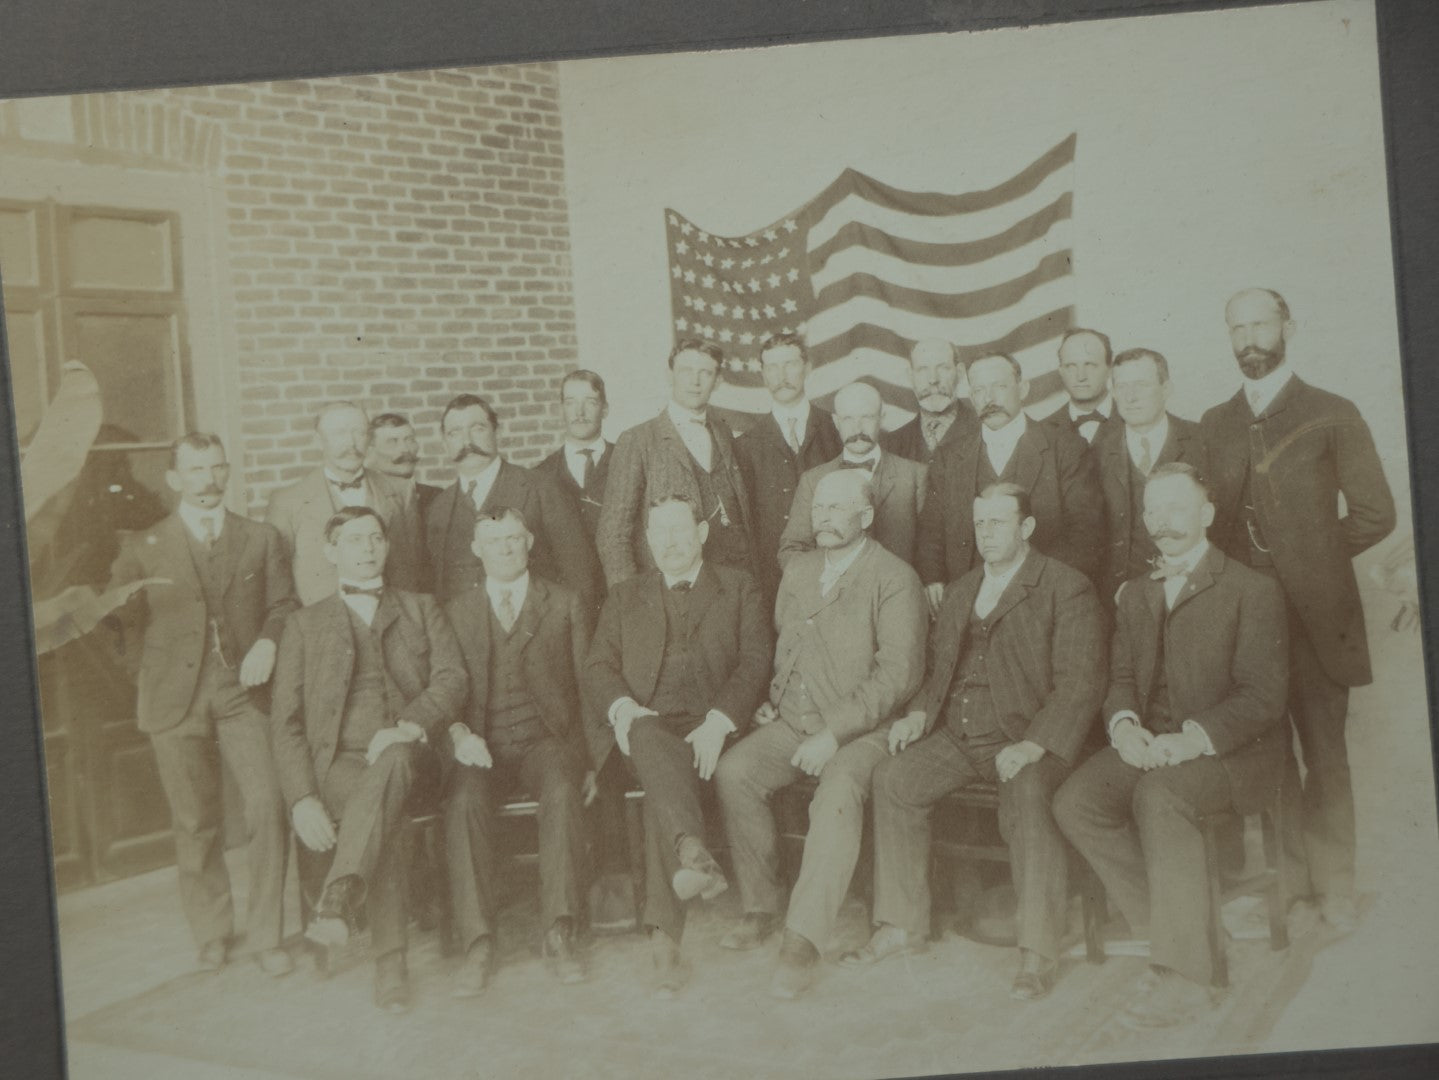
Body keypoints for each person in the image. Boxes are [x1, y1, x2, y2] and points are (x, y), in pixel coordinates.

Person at [1055, 463, 1291, 1028]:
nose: (1162, 522)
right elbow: (1119, 679)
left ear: (1207, 514)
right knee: (1075, 802)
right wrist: (1125, 726)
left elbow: (1263, 697)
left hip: (1234, 756)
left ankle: (1189, 976)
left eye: (1175, 508)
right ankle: (1177, 932)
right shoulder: (1135, 594)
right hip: (1151, 745)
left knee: (1160, 797)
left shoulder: (1251, 590)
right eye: (1152, 511)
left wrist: (1190, 741)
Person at [853, 482, 1105, 1001]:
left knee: (1030, 797)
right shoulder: (964, 588)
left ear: (1027, 527)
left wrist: (1035, 745)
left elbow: (1081, 683)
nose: (986, 533)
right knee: (893, 778)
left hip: (1026, 736)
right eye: (980, 523)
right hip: (961, 734)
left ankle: (1037, 952)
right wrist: (919, 714)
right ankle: (902, 923)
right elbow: (939, 671)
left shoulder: (1066, 587)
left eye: (998, 522)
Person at [1200, 287, 1395, 933]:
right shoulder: (1214, 423)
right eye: (1237, 327)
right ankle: (1288, 889)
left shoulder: (1331, 412)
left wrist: (1307, 561)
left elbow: (1375, 514)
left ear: (1288, 327)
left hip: (1316, 620)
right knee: (1269, 758)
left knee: (1324, 754)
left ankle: (1333, 888)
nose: (1248, 337)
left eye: (1259, 323)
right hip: (1247, 626)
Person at [714, 468, 927, 1000]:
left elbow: (899, 675)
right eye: (820, 508)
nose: (825, 518)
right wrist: (773, 698)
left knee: (835, 794)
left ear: (868, 516)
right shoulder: (800, 570)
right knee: (734, 772)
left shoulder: (895, 578)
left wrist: (833, 735)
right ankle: (762, 904)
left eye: (838, 508)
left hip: (864, 732)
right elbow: (785, 644)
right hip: (793, 722)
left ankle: (802, 940)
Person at [107, 433, 296, 976]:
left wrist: (268, 641)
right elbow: (120, 627)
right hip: (174, 698)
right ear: (174, 479)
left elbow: (284, 604)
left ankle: (266, 936)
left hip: (243, 692)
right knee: (194, 821)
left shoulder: (260, 538)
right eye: (195, 470)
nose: (208, 480)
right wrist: (146, 672)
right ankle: (212, 931)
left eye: (217, 468)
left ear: (228, 471)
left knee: (266, 807)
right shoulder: (143, 548)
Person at [270, 507, 467, 1012]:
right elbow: (286, 722)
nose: (367, 548)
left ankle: (339, 896)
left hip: (413, 752)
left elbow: (452, 679)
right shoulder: (303, 625)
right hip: (338, 763)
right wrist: (301, 798)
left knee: (394, 764)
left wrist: (408, 724)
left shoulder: (421, 607)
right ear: (332, 552)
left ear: (387, 545)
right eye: (354, 540)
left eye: (375, 538)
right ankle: (389, 964)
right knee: (383, 814)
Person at [582, 495, 772, 998]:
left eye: (680, 530)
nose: (669, 542)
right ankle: (690, 851)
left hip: (718, 728)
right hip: (651, 726)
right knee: (646, 738)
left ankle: (665, 937)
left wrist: (719, 720)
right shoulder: (625, 595)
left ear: (703, 533)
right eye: (658, 532)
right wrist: (623, 706)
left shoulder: (738, 586)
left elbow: (755, 660)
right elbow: (598, 665)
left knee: (658, 799)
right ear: (646, 540)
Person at [442, 508, 594, 991]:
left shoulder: (564, 602)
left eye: (513, 539)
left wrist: (590, 760)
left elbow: (589, 688)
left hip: (544, 741)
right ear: (476, 549)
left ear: (529, 541)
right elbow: (442, 689)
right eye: (493, 540)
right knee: (463, 802)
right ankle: (478, 941)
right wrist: (459, 733)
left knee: (563, 791)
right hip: (479, 745)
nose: (505, 549)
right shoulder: (455, 612)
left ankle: (560, 930)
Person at [915, 352, 1104, 611]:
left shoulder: (1065, 447)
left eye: (999, 386)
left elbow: (1086, 535)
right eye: (979, 389)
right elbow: (932, 530)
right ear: (971, 397)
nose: (989, 398)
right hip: (967, 606)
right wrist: (933, 577)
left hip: (1040, 604)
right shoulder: (948, 456)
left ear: (1023, 389)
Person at [597, 339, 755, 586]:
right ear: (670, 375)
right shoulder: (638, 440)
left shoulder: (724, 432)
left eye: (705, 372)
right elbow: (613, 535)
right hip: (670, 589)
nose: (695, 381)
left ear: (718, 380)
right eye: (686, 371)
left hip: (732, 583)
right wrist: (629, 603)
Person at [423, 393, 601, 613]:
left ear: (497, 432)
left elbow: (579, 573)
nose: (466, 442)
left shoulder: (541, 489)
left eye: (477, 428)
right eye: (454, 433)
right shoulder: (439, 508)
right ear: (444, 442)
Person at [265, 400, 425, 605]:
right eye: (340, 433)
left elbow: (414, 570)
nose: (351, 443)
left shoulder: (401, 492)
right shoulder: (287, 502)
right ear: (319, 440)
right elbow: (278, 587)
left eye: (359, 433)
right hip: (321, 629)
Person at [1093, 348, 1207, 602]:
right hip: (1116, 599)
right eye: (1122, 387)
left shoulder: (1202, 442)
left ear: (1166, 389)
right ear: (1112, 393)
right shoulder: (1095, 452)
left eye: (1141, 385)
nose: (1130, 397)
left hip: (1191, 593)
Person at [734, 333, 842, 600]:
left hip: (836, 569)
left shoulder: (836, 429)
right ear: (762, 374)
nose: (782, 375)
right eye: (772, 367)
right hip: (775, 581)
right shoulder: (745, 445)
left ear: (807, 367)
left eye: (790, 364)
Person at [778, 380, 927, 568]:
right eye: (848, 419)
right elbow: (792, 548)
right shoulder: (812, 480)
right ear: (836, 422)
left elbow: (930, 550)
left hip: (896, 592)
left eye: (867, 417)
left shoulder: (915, 476)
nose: (857, 429)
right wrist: (821, 584)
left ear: (882, 418)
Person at [534, 369, 614, 544]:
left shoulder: (627, 460)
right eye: (571, 403)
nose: (580, 412)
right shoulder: (541, 474)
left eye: (590, 402)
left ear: (605, 410)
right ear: (561, 410)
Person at [882, 338, 979, 464]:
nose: (933, 379)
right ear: (910, 377)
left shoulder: (983, 430)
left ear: (960, 372)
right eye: (922, 370)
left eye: (943, 368)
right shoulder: (892, 444)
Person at [1039, 328, 1118, 445]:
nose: (1081, 376)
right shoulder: (1040, 432)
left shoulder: (1136, 420)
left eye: (1090, 365)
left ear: (1110, 369)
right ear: (1061, 371)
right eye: (1071, 366)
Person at [368, 412, 444, 519]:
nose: (405, 449)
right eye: (392, 442)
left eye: (410, 440)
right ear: (370, 452)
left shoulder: (438, 497)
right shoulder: (365, 498)